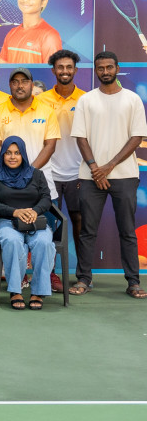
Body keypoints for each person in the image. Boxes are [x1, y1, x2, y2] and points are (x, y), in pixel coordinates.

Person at [71, 50, 146, 298]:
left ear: (117, 68)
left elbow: (137, 137)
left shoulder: (132, 99)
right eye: (100, 68)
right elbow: (80, 137)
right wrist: (95, 168)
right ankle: (83, 279)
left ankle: (133, 282)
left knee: (127, 230)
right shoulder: (86, 100)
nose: (105, 71)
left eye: (109, 67)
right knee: (87, 231)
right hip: (90, 176)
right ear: (96, 70)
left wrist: (109, 166)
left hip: (124, 175)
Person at [0, 136, 56, 311]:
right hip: (6, 221)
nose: (12, 157)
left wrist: (34, 211)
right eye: (8, 153)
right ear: (2, 155)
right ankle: (15, 291)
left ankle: (38, 291)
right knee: (13, 241)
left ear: (23, 154)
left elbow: (46, 198)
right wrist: (14, 212)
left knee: (44, 242)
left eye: (17, 153)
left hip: (34, 222)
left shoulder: (36, 174)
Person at [38, 50, 86, 291]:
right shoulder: (42, 100)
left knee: (79, 223)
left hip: (79, 173)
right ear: (53, 70)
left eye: (69, 67)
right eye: (60, 67)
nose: (65, 71)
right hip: (49, 174)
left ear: (75, 70)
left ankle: (82, 276)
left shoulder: (87, 99)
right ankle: (51, 275)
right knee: (51, 225)